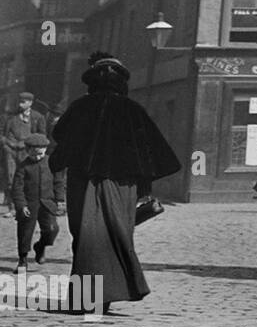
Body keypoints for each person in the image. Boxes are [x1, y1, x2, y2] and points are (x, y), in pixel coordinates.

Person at [48, 53, 180, 311]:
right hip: (122, 187)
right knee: (118, 235)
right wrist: (144, 187)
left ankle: (88, 299)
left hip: (84, 184)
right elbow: (154, 153)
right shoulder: (133, 110)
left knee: (86, 237)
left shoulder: (80, 107)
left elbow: (60, 137)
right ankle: (109, 295)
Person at [12, 133, 64, 270]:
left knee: (52, 229)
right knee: (25, 233)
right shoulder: (23, 167)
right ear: (27, 151)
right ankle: (22, 260)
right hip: (29, 205)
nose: (37, 157)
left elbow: (58, 182)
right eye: (34, 155)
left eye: (40, 154)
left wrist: (59, 200)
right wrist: (21, 205)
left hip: (47, 204)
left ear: (45, 150)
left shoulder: (51, 163)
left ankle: (40, 246)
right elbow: (17, 188)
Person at [3, 92, 47, 218]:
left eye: (23, 102)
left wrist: (30, 144)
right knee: (11, 178)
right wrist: (6, 145)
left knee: (27, 178)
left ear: (30, 103)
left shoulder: (38, 117)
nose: (20, 104)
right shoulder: (10, 117)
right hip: (10, 152)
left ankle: (25, 207)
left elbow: (42, 136)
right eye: (19, 101)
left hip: (28, 152)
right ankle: (12, 207)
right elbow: (2, 134)